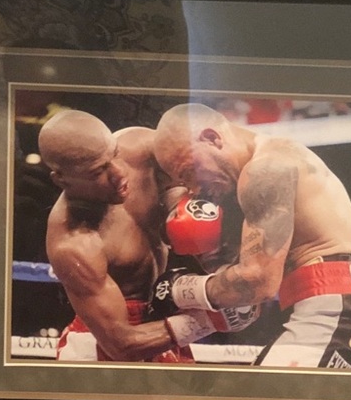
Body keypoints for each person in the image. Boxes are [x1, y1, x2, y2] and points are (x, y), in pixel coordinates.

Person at [152, 102, 351, 369]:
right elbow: (245, 302)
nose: (194, 187)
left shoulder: (266, 170)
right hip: (337, 311)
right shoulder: (257, 174)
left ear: (213, 138)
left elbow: (256, 281)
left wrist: (181, 289)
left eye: (190, 171)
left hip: (334, 312)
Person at [39, 109, 253, 362]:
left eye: (115, 154)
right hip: (107, 344)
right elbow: (121, 344)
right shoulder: (73, 242)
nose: (120, 173)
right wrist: (211, 318)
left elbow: (214, 160)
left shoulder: (140, 146)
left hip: (162, 320)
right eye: (98, 172)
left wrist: (177, 204)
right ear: (62, 180)